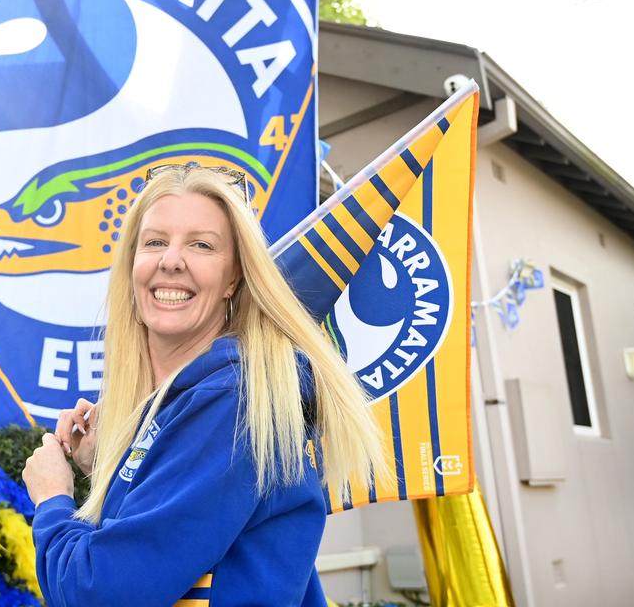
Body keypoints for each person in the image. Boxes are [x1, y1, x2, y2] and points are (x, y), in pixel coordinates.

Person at [22, 165, 387, 606]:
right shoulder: (205, 399)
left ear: (234, 277)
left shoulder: (233, 400)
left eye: (201, 245)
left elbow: (100, 592)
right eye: (155, 241)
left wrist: (52, 499)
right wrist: (109, 466)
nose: (171, 259)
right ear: (131, 267)